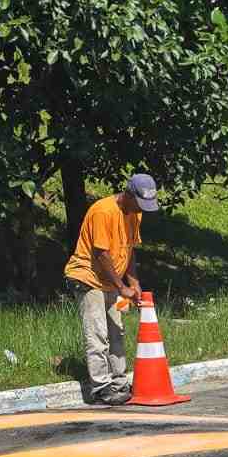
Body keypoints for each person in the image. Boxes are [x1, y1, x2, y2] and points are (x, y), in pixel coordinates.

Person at [63, 173, 159, 404]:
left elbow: (129, 250)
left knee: (117, 331)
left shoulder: (134, 214)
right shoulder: (103, 211)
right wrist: (121, 286)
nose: (142, 209)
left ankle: (119, 382)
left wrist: (133, 282)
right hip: (88, 278)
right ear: (128, 194)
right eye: (139, 203)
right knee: (98, 334)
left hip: (110, 279)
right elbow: (101, 254)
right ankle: (101, 387)